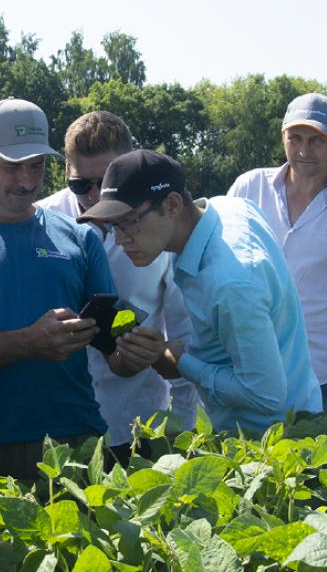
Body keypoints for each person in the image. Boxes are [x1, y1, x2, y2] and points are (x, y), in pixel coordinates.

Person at [0, 98, 131, 480]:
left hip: (75, 442)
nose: (27, 181)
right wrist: (28, 342)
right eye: (13, 167)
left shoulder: (79, 240)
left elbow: (116, 350)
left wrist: (141, 348)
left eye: (37, 166)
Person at [77, 150, 322, 434]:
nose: (119, 239)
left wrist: (180, 361)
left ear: (172, 204)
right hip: (294, 409)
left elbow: (264, 396)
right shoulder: (230, 208)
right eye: (113, 224)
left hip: (271, 444)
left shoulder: (229, 283)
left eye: (130, 221)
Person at [37, 111, 199, 464]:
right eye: (81, 185)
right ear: (66, 170)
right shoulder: (40, 222)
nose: (94, 196)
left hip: (134, 420)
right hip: (54, 421)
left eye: (105, 181)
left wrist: (183, 425)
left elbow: (185, 330)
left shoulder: (162, 228)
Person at [227, 93, 327, 409]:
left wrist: (319, 325)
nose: (304, 150)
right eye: (296, 138)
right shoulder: (248, 188)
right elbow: (219, 262)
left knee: (313, 458)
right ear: (283, 137)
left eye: (317, 140)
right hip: (243, 370)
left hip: (316, 377)